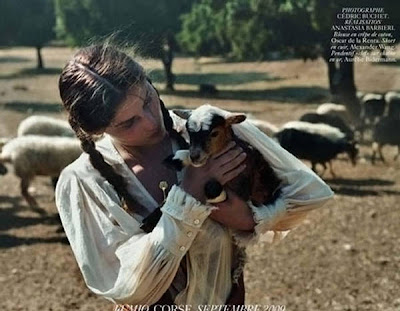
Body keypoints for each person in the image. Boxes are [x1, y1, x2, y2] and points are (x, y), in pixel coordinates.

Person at [55, 44, 334, 308]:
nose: (152, 122)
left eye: (148, 100)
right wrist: (188, 195)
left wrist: (251, 218)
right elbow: (129, 286)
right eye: (129, 123)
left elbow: (310, 192)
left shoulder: (209, 128)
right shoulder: (85, 182)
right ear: (96, 129)